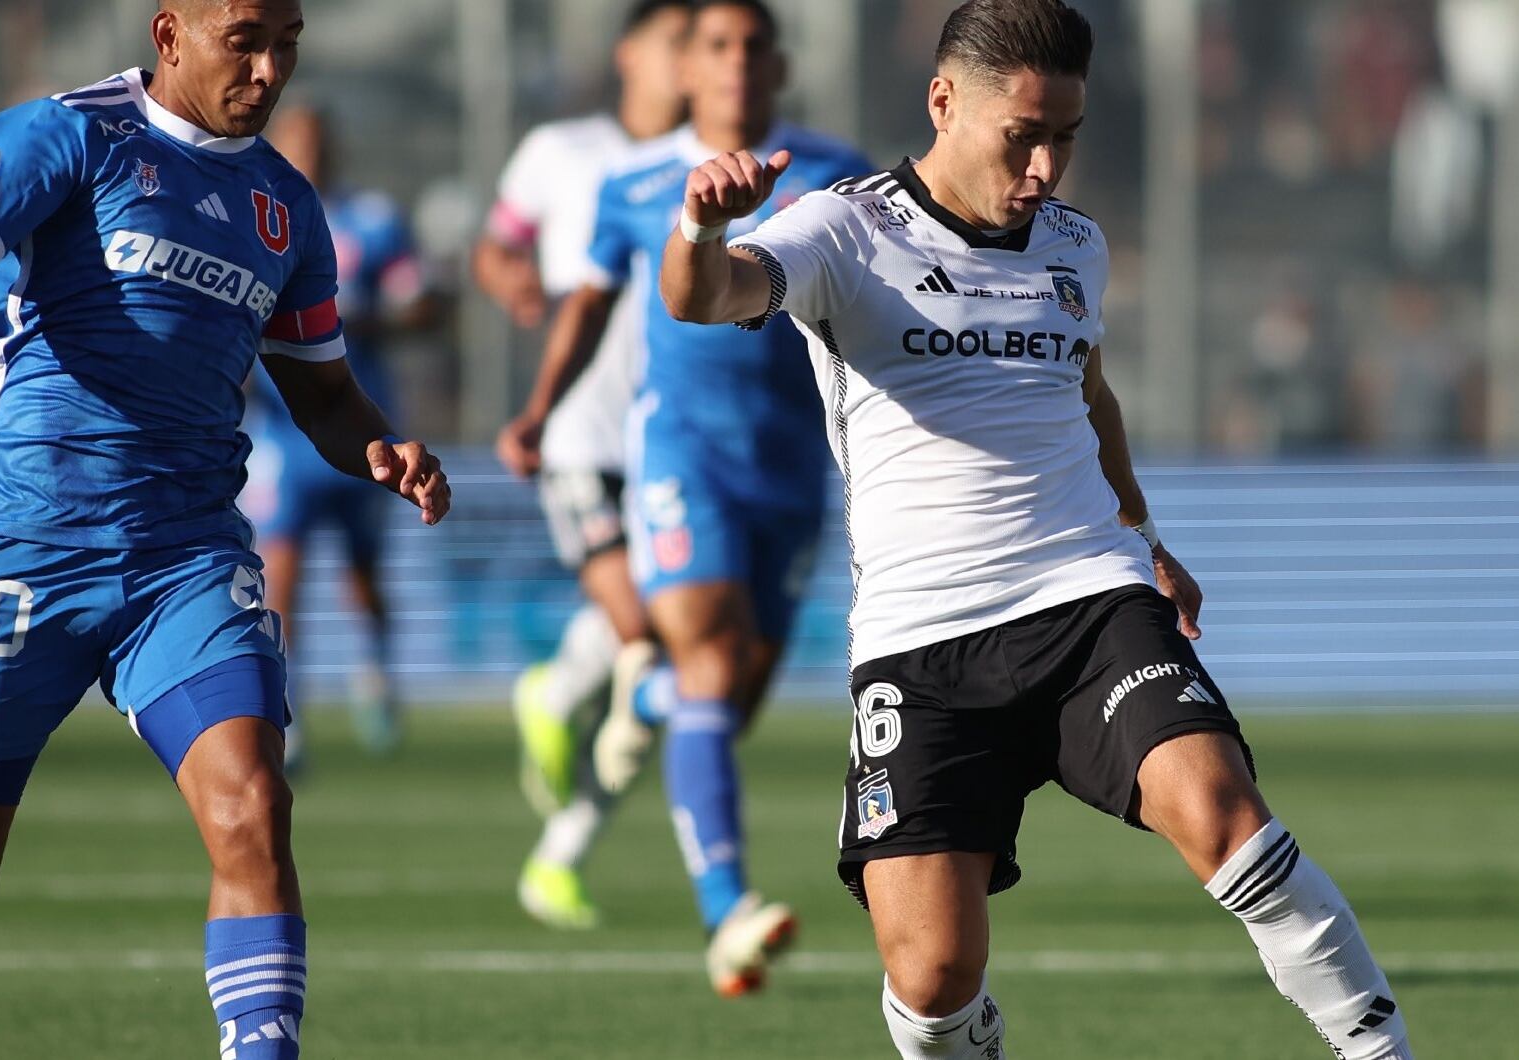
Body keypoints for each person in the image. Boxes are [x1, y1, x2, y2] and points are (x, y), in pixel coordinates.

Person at [657, 1, 1416, 1056]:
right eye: (1023, 134)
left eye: (1065, 135)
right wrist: (700, 225)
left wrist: (1142, 530)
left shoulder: (1073, 247)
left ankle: (1378, 1048)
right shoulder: (844, 231)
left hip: (1085, 597)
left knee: (1222, 814)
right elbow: (703, 296)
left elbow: (1087, 393)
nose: (1047, 166)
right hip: (921, 640)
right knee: (931, 979)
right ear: (942, 101)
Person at [0, 3, 450, 1057]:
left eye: (286, 39)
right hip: (23, 542)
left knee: (253, 805)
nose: (269, 66)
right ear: (170, 33)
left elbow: (324, 394)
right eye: (242, 37)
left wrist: (381, 447)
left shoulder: (283, 205)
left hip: (186, 557)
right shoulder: (71, 133)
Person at [540, 0, 871, 995]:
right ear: (684, 68)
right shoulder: (636, 183)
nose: (734, 64)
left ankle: (635, 691)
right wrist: (536, 411)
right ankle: (728, 910)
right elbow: (588, 308)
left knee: (721, 698)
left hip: (791, 463)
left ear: (779, 65)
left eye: (751, 46)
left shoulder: (837, 170)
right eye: (713, 46)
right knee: (713, 666)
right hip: (682, 454)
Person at [477, 0, 689, 932]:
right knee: (645, 637)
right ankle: (559, 690)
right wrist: (511, 281)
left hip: (676, 441)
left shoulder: (713, 164)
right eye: (681, 38)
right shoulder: (562, 150)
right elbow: (497, 244)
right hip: (583, 437)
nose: (696, 58)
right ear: (630, 52)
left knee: (662, 674)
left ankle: (556, 858)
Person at [240, 104, 437, 765]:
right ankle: (286, 715)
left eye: (318, 142)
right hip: (283, 433)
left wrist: (361, 320)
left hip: (357, 425)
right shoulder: (251, 214)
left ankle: (376, 675)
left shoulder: (372, 221)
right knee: (280, 578)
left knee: (363, 578)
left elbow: (426, 304)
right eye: (296, 141)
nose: (309, 153)